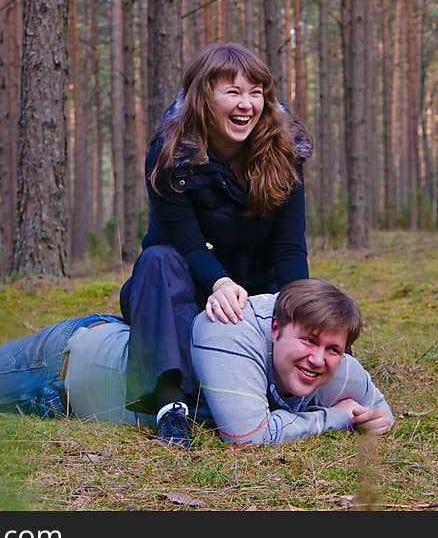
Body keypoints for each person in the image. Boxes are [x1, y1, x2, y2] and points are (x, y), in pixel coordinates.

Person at [0, 278, 393, 445]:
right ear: (276, 325)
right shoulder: (231, 337)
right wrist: (335, 422)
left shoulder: (333, 363)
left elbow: (377, 408)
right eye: (307, 342)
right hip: (55, 376)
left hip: (79, 355)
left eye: (333, 351)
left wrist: (364, 411)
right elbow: (247, 435)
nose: (318, 361)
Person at [120, 41, 314, 446]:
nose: (246, 104)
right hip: (180, 286)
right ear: (204, 98)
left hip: (254, 288)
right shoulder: (170, 153)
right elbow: (187, 244)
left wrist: (303, 316)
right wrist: (219, 285)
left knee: (302, 299)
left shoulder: (285, 152)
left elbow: (290, 248)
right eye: (233, 92)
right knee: (157, 259)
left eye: (255, 93)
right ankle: (170, 406)